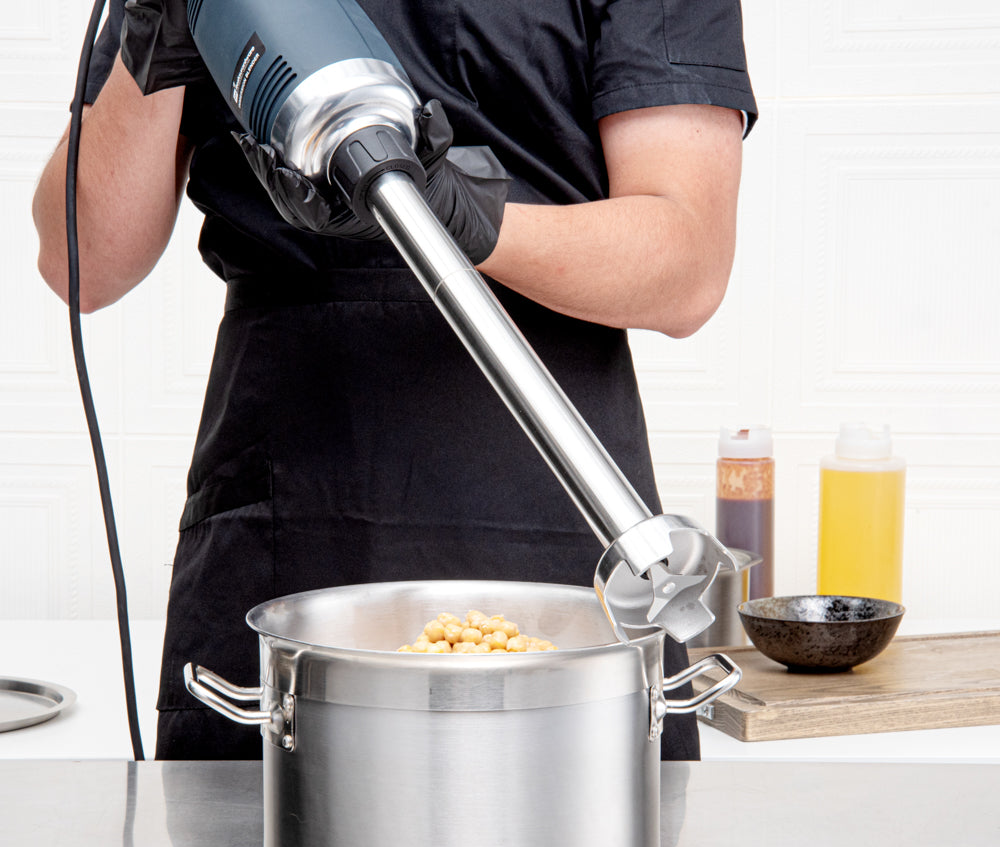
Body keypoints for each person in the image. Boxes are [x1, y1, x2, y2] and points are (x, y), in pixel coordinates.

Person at [33, 0, 757, 760]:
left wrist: (470, 219)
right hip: (282, 509)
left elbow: (688, 266)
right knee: (248, 831)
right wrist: (152, 31)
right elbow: (84, 260)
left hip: (554, 495)